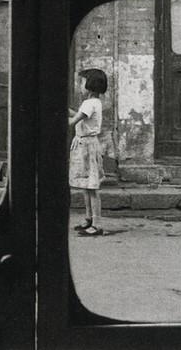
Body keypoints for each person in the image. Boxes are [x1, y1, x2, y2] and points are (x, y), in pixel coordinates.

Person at [68, 68, 107, 237]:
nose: (80, 86)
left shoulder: (88, 104)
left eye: (82, 82)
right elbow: (78, 116)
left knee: (92, 187)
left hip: (87, 147)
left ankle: (96, 223)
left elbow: (73, 121)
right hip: (87, 144)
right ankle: (89, 218)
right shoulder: (94, 102)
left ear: (90, 85)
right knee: (87, 186)